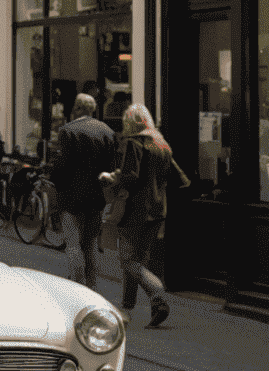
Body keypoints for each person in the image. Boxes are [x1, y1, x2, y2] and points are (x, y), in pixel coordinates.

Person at [104, 104, 183, 328]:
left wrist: (112, 178)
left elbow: (130, 177)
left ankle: (158, 294)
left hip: (135, 210)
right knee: (137, 260)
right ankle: (127, 309)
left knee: (128, 261)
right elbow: (180, 179)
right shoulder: (161, 143)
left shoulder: (134, 142)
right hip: (158, 211)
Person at [49, 92, 117, 291]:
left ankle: (77, 287)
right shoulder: (107, 131)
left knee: (73, 243)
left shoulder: (68, 131)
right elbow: (111, 167)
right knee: (90, 244)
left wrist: (55, 186)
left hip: (71, 196)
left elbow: (62, 166)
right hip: (96, 196)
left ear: (77, 108)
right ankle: (92, 287)